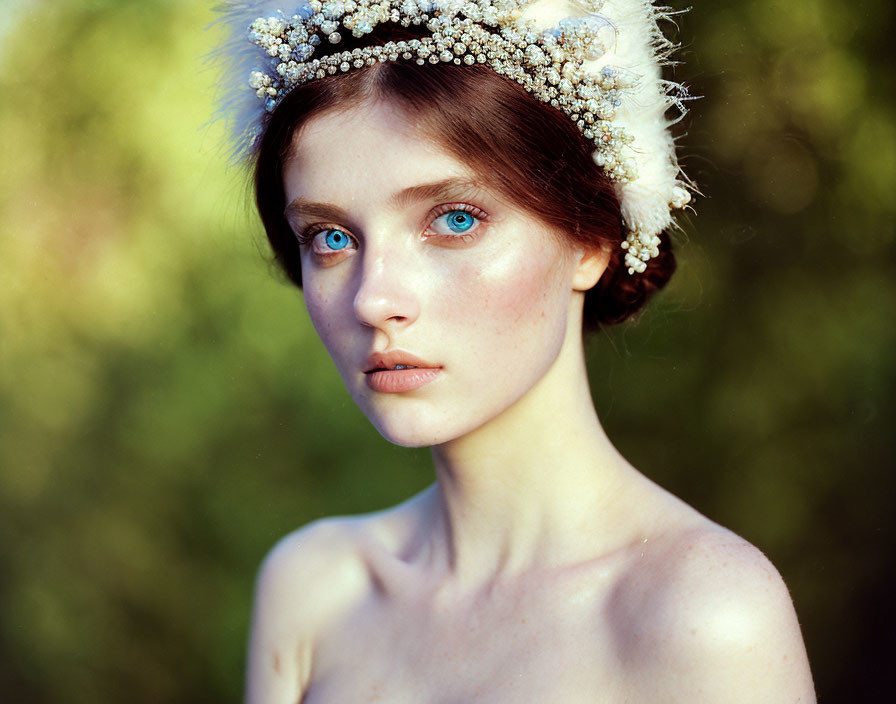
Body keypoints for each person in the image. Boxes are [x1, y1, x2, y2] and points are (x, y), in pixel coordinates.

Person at [214, 1, 816, 701]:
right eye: (331, 237)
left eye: (456, 219)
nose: (374, 299)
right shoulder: (315, 589)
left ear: (592, 239)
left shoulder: (701, 613)